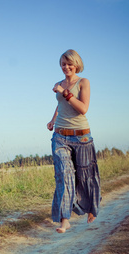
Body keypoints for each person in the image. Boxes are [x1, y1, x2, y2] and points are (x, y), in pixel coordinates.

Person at [47, 49, 101, 233]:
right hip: (60, 136)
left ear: (76, 64)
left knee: (85, 177)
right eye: (63, 64)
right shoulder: (59, 84)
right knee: (65, 175)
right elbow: (60, 104)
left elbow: (83, 108)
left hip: (82, 136)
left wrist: (65, 92)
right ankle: (65, 220)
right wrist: (53, 120)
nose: (66, 67)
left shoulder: (83, 82)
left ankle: (91, 208)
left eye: (69, 63)